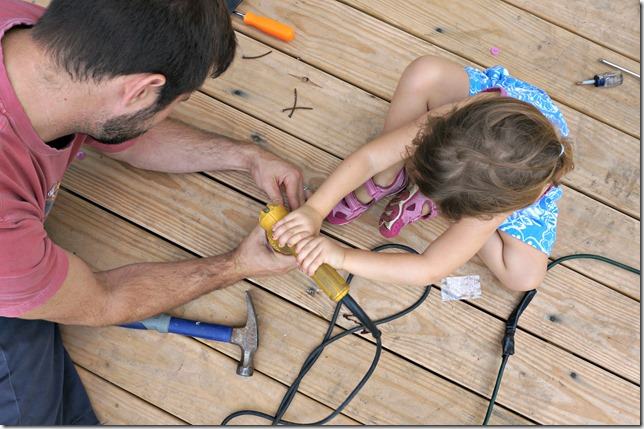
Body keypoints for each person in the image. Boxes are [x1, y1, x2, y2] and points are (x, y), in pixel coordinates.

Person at [0, 0, 304, 424]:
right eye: (174, 102)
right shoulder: (6, 241)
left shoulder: (31, 31)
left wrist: (246, 157)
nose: (168, 113)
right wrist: (236, 265)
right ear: (139, 91)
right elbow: (103, 301)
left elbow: (123, 133)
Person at [272, 55, 573, 291]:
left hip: (508, 187)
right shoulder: (466, 113)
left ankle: (428, 189)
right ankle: (388, 179)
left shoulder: (499, 205)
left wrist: (343, 257)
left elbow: (429, 267)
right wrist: (314, 209)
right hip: (504, 135)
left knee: (524, 277)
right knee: (425, 71)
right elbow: (372, 156)